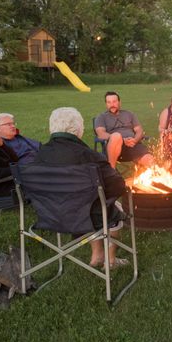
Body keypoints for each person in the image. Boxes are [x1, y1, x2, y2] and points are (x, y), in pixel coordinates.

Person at [34, 107, 129, 268]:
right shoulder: (88, 156)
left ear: (52, 128)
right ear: (79, 129)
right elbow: (118, 186)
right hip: (85, 216)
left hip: (50, 214)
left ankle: (97, 256)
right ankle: (110, 260)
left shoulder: (40, 155)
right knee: (111, 208)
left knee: (92, 204)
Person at [94, 91, 154, 169]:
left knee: (150, 161)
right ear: (106, 104)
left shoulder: (129, 114)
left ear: (119, 102)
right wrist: (121, 140)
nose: (112, 105)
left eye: (114, 102)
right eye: (109, 102)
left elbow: (139, 130)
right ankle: (112, 171)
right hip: (114, 148)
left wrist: (135, 140)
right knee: (116, 136)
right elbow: (101, 133)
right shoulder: (101, 117)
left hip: (133, 145)